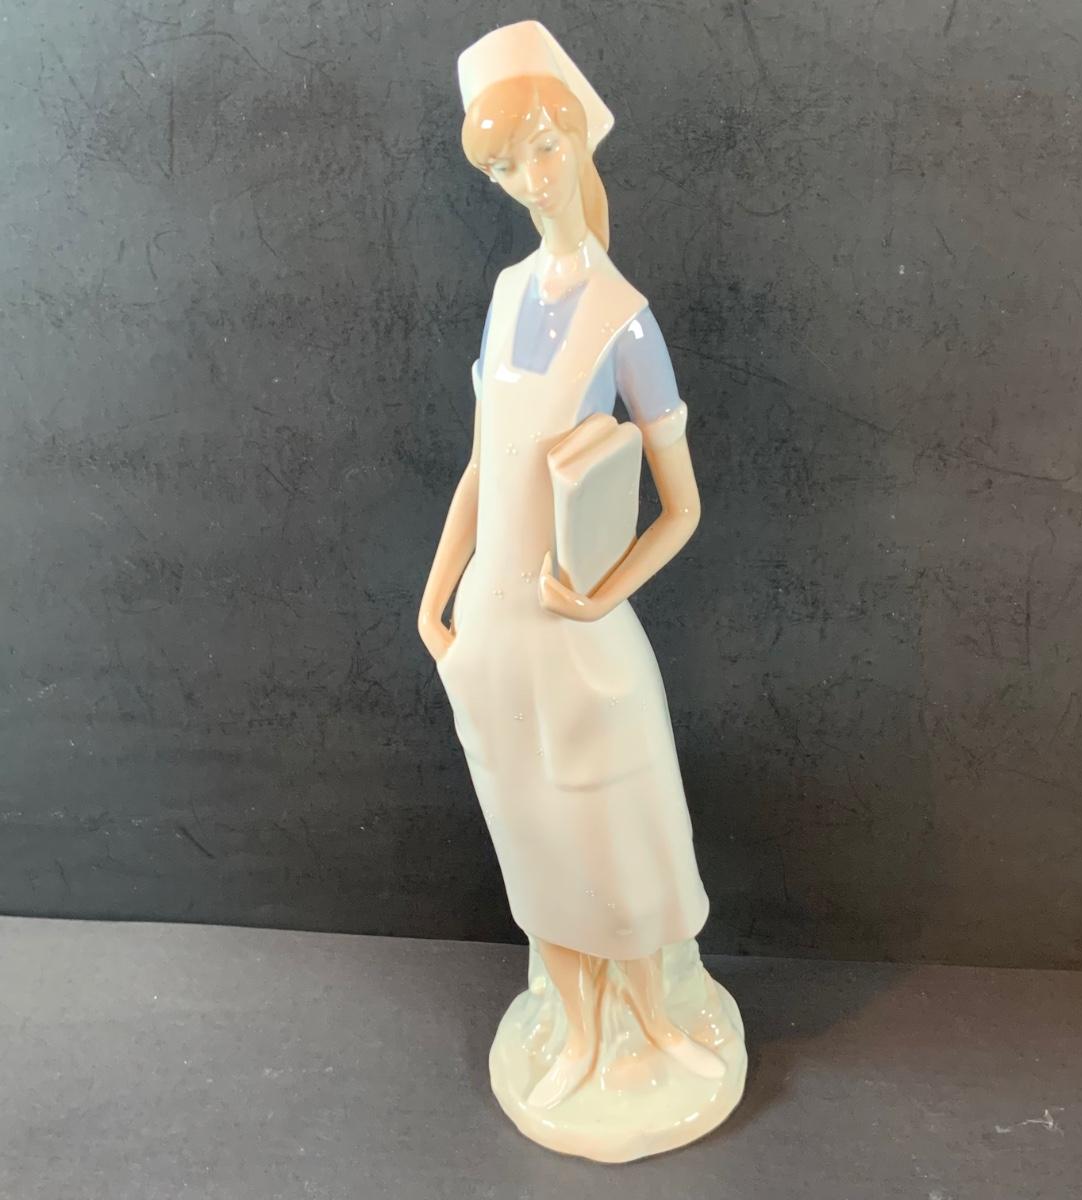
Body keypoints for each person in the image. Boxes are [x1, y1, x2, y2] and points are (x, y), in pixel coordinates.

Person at [417, 19, 727, 1115]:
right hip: (493, 642)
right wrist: (434, 608)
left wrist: (599, 595)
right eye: (506, 165)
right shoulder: (506, 295)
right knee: (534, 840)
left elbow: (682, 508)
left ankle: (654, 1022)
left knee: (617, 840)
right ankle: (578, 1026)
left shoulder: (624, 322)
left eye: (543, 148)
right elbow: (481, 467)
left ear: (577, 140)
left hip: (577, 645)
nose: (529, 178)